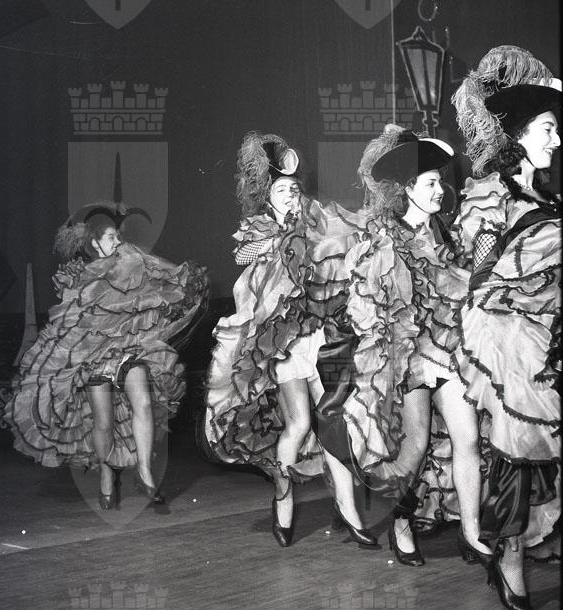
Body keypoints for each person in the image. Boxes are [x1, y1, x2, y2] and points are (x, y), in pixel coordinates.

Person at [308, 125, 491, 567]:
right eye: (430, 184)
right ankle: (402, 523)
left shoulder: (447, 237)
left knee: (468, 438)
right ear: (407, 189)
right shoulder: (385, 241)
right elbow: (369, 307)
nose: (440, 191)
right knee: (415, 444)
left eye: (440, 182)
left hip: (447, 352)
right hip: (407, 360)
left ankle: (472, 533)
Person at [205, 132, 373, 548]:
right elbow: (243, 256)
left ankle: (349, 511)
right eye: (282, 190)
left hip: (321, 335)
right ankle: (283, 502)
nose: (291, 195)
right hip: (284, 343)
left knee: (334, 421)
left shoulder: (316, 222)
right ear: (268, 198)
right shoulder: (260, 230)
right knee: (298, 424)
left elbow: (345, 237)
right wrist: (281, 236)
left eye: (294, 189)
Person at [5, 202, 208, 509]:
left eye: (117, 235)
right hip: (95, 358)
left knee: (143, 402)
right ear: (95, 243)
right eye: (111, 237)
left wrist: (187, 283)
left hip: (131, 350)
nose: (118, 241)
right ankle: (105, 471)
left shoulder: (131, 261)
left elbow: (160, 277)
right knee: (103, 422)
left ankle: (144, 471)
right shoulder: (83, 278)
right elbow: (71, 325)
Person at [452, 45, 561, 609]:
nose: (557, 140)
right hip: (508, 345)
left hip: (545, 339)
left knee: (537, 457)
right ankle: (509, 567)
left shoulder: (545, 193)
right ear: (518, 135)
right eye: (548, 128)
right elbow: (481, 276)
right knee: (517, 456)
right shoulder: (490, 196)